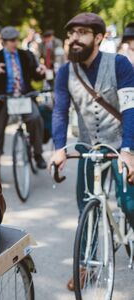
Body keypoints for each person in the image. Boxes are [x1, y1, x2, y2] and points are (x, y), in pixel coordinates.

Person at [48, 12, 134, 291]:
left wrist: (129, 150)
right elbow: (60, 111)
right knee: (86, 205)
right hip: (89, 145)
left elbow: (130, 108)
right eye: (71, 33)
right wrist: (59, 148)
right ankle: (85, 264)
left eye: (82, 33)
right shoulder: (65, 71)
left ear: (99, 37)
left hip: (122, 143)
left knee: (128, 203)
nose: (74, 38)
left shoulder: (119, 64)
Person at [0, 26, 48, 178]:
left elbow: (35, 76)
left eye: (16, 40)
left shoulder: (26, 55)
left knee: (35, 118)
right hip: (3, 98)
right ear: (4, 42)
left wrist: (41, 72)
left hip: (23, 96)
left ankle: (37, 153)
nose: (15, 43)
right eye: (11, 41)